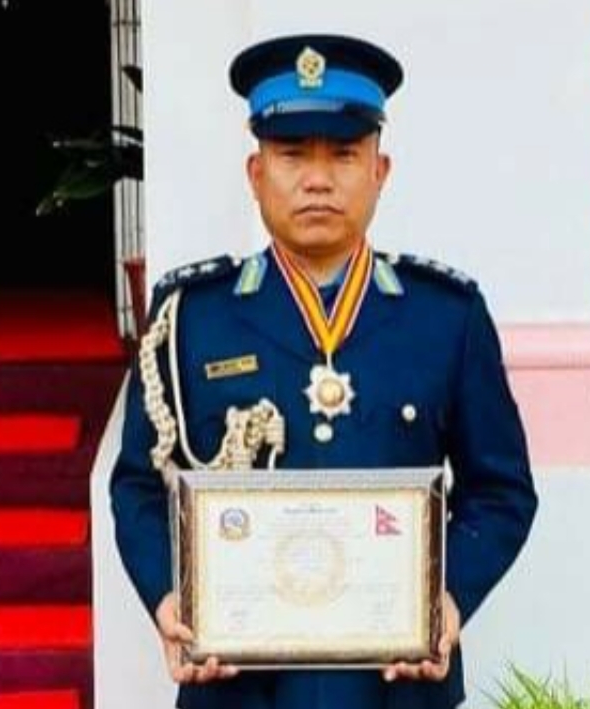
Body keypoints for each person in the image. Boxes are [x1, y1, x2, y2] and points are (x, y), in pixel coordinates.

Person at [110, 32, 538, 709]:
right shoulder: (190, 317)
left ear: (380, 170)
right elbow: (138, 484)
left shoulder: (446, 317)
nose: (317, 179)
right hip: (239, 689)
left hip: (396, 687)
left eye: (343, 153)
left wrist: (447, 599)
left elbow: (501, 488)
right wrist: (170, 599)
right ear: (256, 173)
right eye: (291, 154)